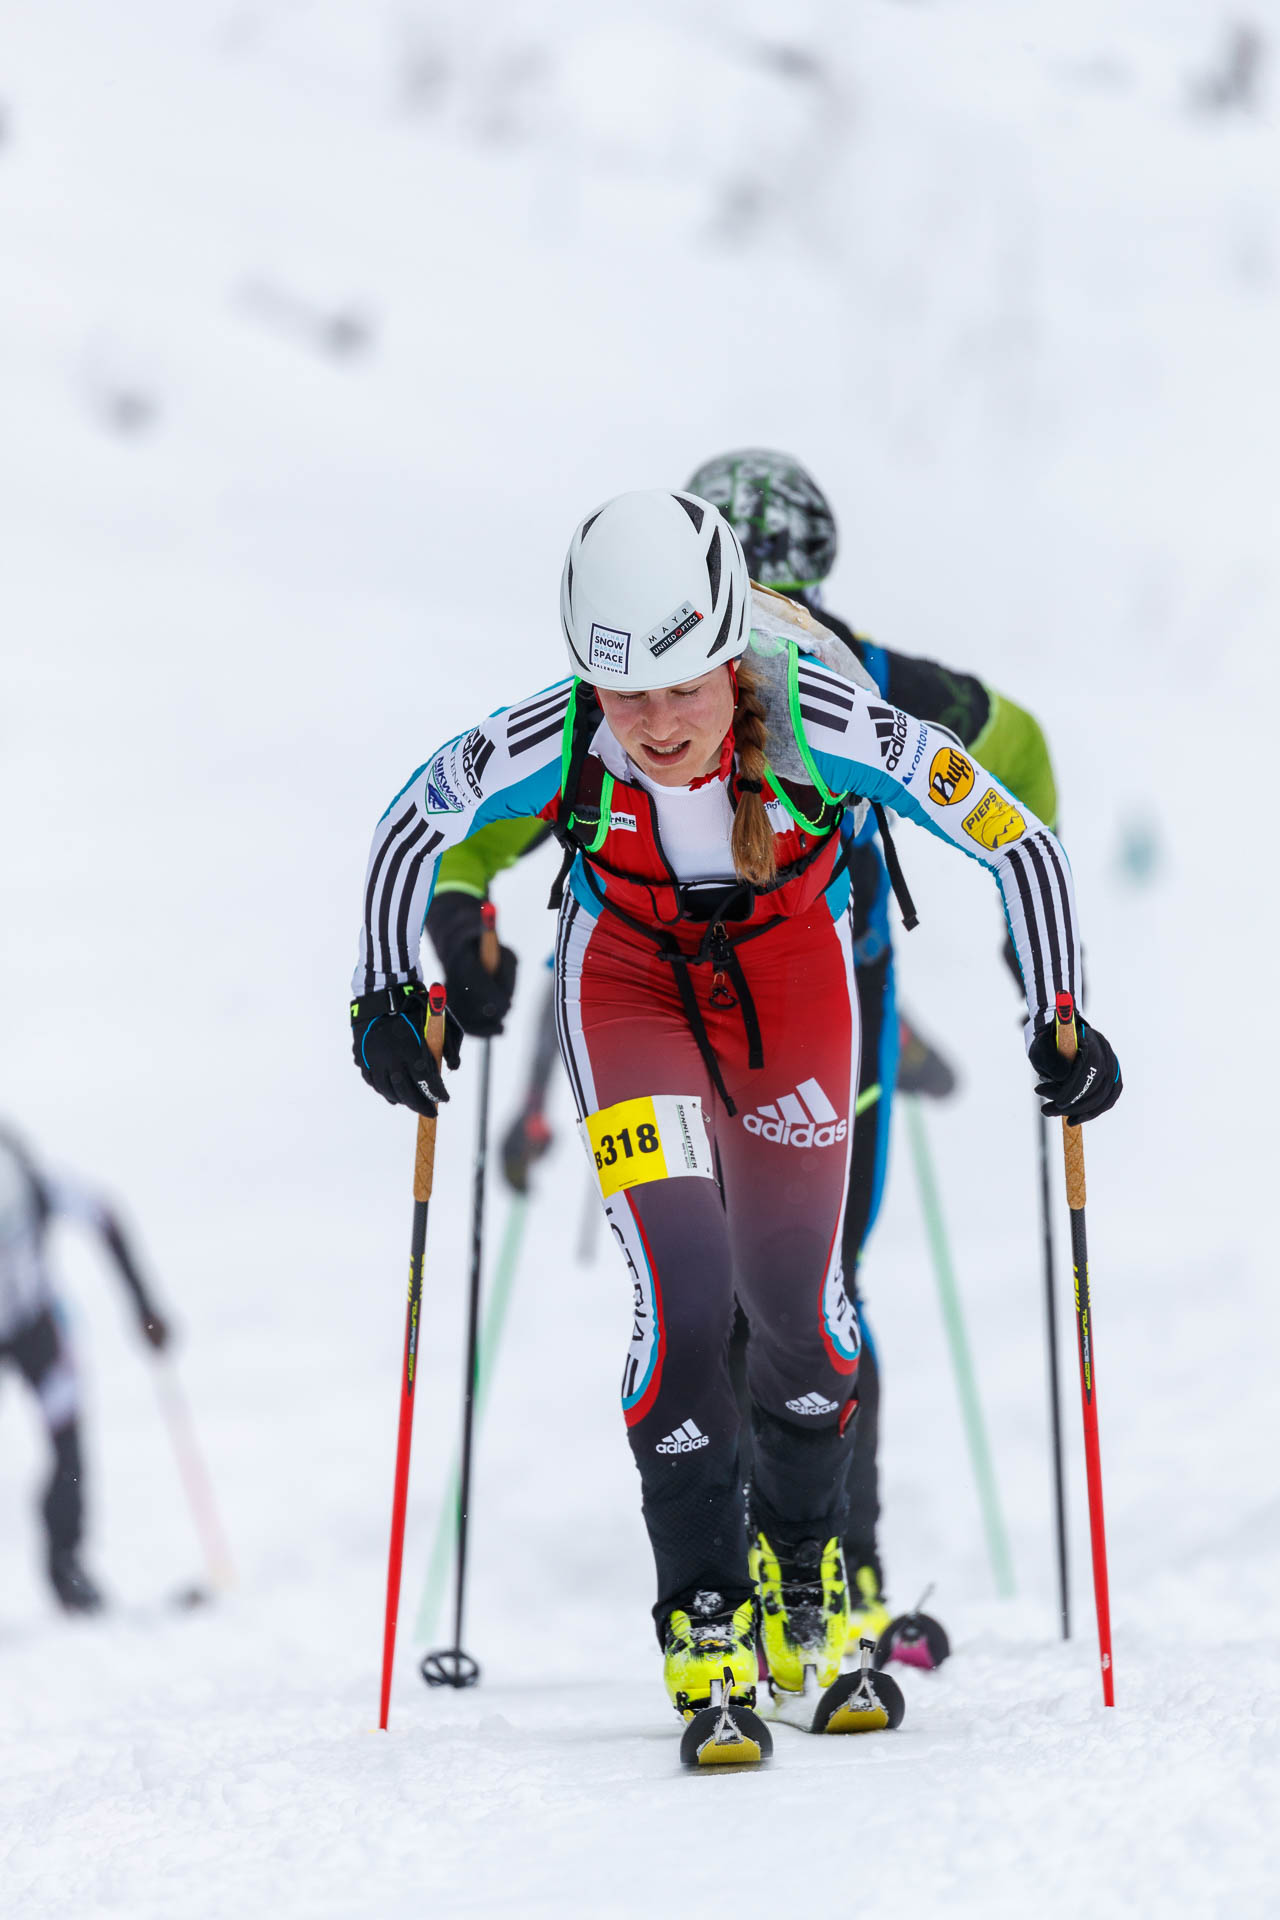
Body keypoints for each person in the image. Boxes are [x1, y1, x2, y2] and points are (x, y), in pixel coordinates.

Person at [350, 489, 1120, 1723]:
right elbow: (413, 822)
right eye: (624, 695)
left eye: (682, 689)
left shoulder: (822, 715)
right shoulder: (559, 730)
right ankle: (701, 1604)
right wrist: (382, 995)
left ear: (725, 654)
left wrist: (1058, 1015)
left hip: (793, 987)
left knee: (801, 1313)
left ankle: (802, 1571)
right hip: (630, 994)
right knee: (686, 1291)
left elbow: (1015, 839)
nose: (654, 727)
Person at [0, 1126, 170, 1612]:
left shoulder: (40, 1185)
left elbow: (105, 1217)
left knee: (67, 1450)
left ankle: (66, 1564)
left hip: (39, 1329)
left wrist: (144, 1306)